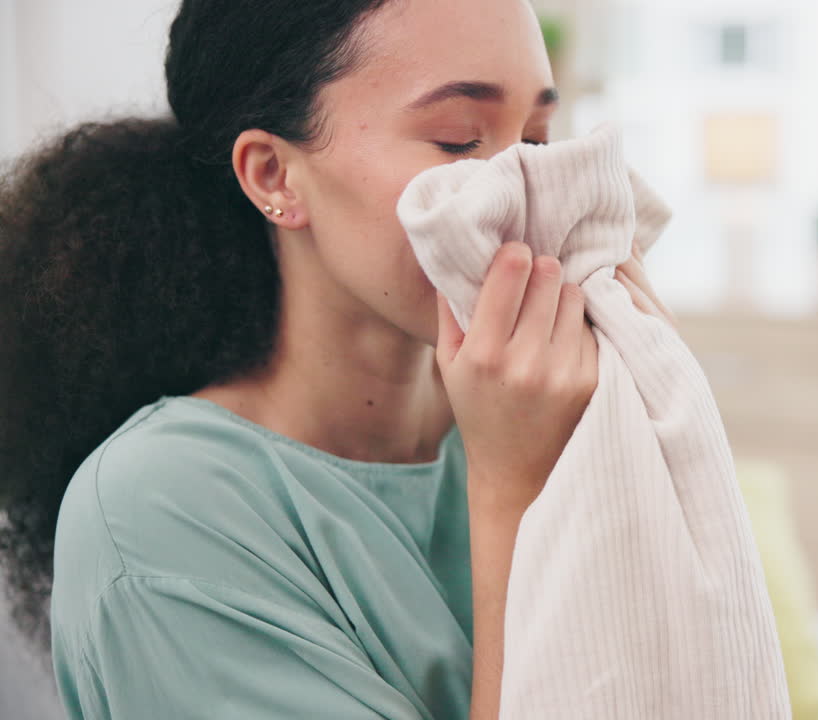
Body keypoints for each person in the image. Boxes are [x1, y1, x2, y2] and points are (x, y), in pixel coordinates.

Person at [0, 0, 677, 717]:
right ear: (273, 176)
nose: (528, 191)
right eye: (456, 141)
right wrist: (517, 490)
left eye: (538, 139)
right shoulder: (156, 511)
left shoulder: (563, 400)